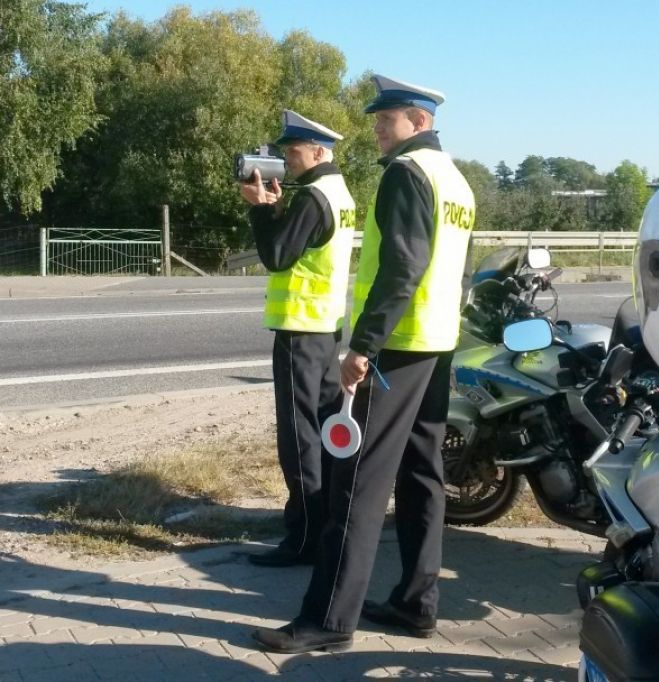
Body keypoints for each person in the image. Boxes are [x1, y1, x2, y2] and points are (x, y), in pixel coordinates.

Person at [252, 75, 475, 653]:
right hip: (437, 341)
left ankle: (328, 620)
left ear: (419, 122)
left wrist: (362, 350)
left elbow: (402, 269)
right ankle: (415, 603)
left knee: (356, 483)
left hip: (397, 346)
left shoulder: (406, 173)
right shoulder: (455, 180)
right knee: (424, 474)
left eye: (387, 118)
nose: (376, 127)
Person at [239, 110, 356, 567]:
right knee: (325, 430)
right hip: (324, 328)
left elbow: (276, 255)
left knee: (300, 436)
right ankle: (327, 523)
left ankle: (304, 537)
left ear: (319, 151)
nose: (286, 161)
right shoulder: (338, 191)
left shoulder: (312, 196)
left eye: (293, 152)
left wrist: (260, 208)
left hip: (301, 330)